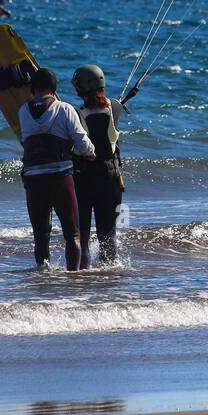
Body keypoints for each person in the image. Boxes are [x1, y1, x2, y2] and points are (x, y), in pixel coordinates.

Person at [19, 68, 96, 269]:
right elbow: (82, 142)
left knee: (41, 236)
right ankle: (73, 280)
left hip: (33, 180)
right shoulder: (65, 109)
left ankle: (43, 279)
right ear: (54, 88)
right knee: (73, 234)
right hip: (60, 178)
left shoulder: (22, 111)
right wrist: (90, 152)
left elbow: (25, 141)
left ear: (32, 87)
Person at [70, 64, 127, 268]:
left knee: (83, 235)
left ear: (81, 87)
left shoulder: (76, 113)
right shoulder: (116, 107)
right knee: (108, 234)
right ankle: (109, 276)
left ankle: (83, 275)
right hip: (111, 178)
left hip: (84, 180)